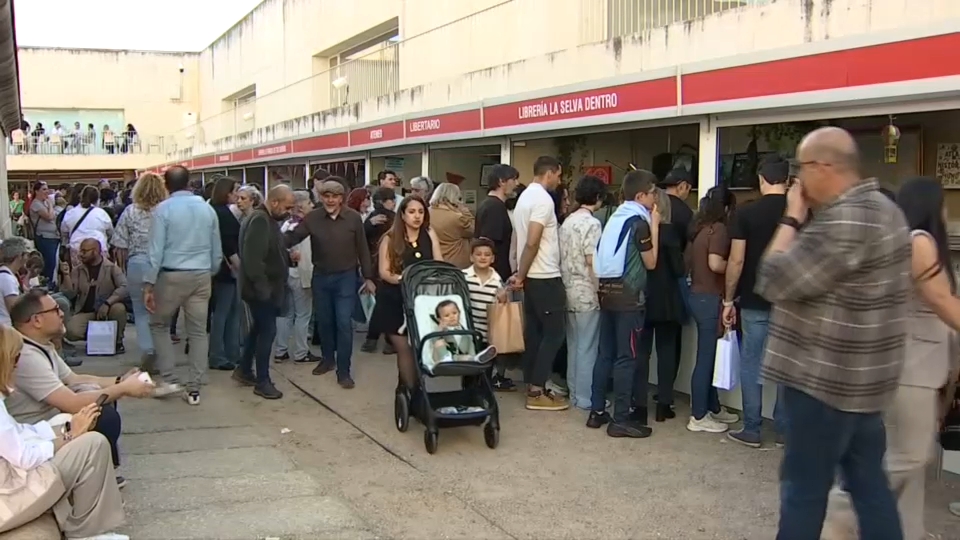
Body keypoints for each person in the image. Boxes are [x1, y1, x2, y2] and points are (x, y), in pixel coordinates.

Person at [757, 127, 910, 540]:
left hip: (822, 382)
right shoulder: (887, 211)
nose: (798, 181)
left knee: (803, 492)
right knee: (869, 488)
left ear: (823, 166)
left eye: (801, 168)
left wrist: (791, 220)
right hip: (865, 384)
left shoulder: (844, 220)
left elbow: (773, 278)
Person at [822, 177, 960, 540]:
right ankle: (841, 511)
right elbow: (941, 300)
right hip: (909, 370)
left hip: (911, 369)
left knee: (910, 462)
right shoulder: (918, 241)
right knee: (908, 458)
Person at [9, 289, 155, 490]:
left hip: (47, 420)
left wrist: (120, 380)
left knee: (97, 394)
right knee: (101, 412)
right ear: (36, 320)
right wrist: (124, 388)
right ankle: (92, 478)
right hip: (32, 428)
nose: (62, 314)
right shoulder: (26, 355)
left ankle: (102, 471)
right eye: (55, 310)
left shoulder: (39, 345)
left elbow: (73, 379)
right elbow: (71, 402)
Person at [0, 325, 128, 539]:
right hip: (8, 490)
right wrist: (70, 435)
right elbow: (24, 457)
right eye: (15, 357)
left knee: (64, 420)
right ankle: (86, 532)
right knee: (93, 443)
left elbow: (16, 434)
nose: (18, 364)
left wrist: (65, 427)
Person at [722, 155, 790, 448]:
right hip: (791, 303)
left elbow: (736, 261)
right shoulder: (803, 214)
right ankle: (785, 431)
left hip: (753, 300)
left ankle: (752, 428)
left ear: (761, 179)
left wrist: (727, 299)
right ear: (787, 180)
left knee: (751, 364)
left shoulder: (746, 214)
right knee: (787, 367)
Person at [588, 170, 660, 437]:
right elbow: (651, 262)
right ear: (640, 196)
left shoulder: (613, 218)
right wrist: (655, 225)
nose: (655, 198)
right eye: (653, 193)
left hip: (607, 294)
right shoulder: (639, 222)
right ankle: (620, 419)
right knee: (626, 358)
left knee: (604, 354)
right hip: (630, 299)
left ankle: (597, 411)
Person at [284, 179, 374, 389]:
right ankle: (327, 359)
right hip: (321, 276)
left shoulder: (353, 218)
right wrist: (274, 239)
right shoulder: (313, 218)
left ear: (342, 198)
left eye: (335, 196)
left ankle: (344, 371)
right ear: (321, 197)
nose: (331, 200)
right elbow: (295, 236)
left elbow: (363, 248)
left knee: (343, 322)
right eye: (326, 196)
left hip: (346, 277)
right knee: (324, 321)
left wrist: (368, 276)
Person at [143, 166, 222, 406]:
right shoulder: (207, 209)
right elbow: (216, 249)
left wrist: (148, 283)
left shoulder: (163, 210)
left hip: (171, 274)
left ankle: (169, 379)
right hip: (201, 273)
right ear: (189, 182)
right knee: (198, 331)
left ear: (166, 185)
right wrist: (210, 271)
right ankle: (195, 386)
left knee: (159, 324)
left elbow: (155, 251)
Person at [510, 156, 568, 411]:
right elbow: (533, 240)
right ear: (551, 172)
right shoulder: (543, 200)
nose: (560, 180)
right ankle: (536, 390)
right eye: (559, 175)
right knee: (555, 333)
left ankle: (532, 383)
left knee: (534, 332)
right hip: (543, 275)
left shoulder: (525, 197)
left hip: (533, 276)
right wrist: (521, 274)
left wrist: (521, 272)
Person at [370, 196, 443, 390]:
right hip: (394, 300)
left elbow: (438, 262)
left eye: (420, 211)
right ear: (402, 215)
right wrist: (403, 279)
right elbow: (384, 272)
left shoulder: (429, 233)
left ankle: (411, 388)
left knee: (419, 347)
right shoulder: (390, 238)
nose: (417, 216)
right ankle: (411, 390)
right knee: (404, 348)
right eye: (412, 212)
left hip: (422, 300)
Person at [686, 187, 740, 434]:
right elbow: (716, 263)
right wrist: (739, 263)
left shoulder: (699, 229)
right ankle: (698, 415)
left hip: (697, 296)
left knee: (708, 355)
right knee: (706, 358)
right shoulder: (718, 230)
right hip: (710, 298)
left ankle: (712, 407)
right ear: (727, 208)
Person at [235, 185, 295, 400]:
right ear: (275, 202)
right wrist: (264, 289)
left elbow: (268, 252)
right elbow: (253, 260)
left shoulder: (265, 220)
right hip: (261, 290)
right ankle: (262, 380)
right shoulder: (260, 220)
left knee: (258, 330)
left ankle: (244, 369)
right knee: (267, 333)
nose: (289, 211)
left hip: (264, 288)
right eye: (287, 206)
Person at [635, 187, 686, 423]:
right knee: (667, 352)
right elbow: (678, 268)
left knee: (642, 352)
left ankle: (639, 403)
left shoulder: (642, 230)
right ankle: (664, 404)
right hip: (667, 298)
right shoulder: (671, 232)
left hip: (644, 295)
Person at [558, 175, 605, 411]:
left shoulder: (567, 222)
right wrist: (600, 290)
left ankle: (575, 392)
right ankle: (585, 397)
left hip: (567, 287)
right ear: (598, 198)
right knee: (587, 347)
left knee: (574, 344)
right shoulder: (593, 224)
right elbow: (591, 260)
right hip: (586, 290)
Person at [59, 239, 129, 354]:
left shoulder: (111, 268)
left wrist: (108, 303)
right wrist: (66, 275)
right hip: (87, 312)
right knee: (71, 331)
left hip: (108, 310)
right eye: (80, 251)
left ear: (95, 251)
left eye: (84, 251)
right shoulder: (78, 270)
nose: (81, 254)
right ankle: (96, 339)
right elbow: (69, 293)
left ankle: (117, 341)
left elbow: (125, 287)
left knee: (119, 309)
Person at [273, 190, 318, 364]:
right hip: (301, 274)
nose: (312, 205)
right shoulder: (303, 226)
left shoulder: (285, 224)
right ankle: (301, 352)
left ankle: (280, 350)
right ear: (300, 205)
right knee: (303, 314)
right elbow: (304, 256)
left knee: (286, 313)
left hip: (286, 274)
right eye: (309, 202)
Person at [208, 176, 242, 371]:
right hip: (227, 270)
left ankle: (230, 352)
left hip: (221, 269)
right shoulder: (223, 214)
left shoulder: (216, 211)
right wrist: (239, 267)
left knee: (228, 312)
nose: (237, 195)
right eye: (235, 190)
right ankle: (219, 354)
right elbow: (229, 246)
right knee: (224, 313)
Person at [360, 187, 397, 354]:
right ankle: (389, 341)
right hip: (390, 265)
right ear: (384, 202)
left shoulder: (370, 218)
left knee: (380, 302)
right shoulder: (392, 218)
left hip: (373, 265)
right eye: (391, 200)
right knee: (389, 304)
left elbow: (362, 239)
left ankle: (372, 339)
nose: (394, 203)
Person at [475, 164, 519, 290]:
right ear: (501, 181)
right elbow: (489, 245)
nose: (517, 183)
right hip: (495, 278)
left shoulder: (489, 204)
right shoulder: (495, 207)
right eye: (513, 179)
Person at [60, 186, 113, 268]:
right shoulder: (101, 213)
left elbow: (64, 231)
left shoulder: (71, 213)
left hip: (77, 249)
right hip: (98, 248)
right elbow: (110, 232)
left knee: (79, 275)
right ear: (97, 199)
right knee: (100, 276)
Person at [429, 183, 475, 269]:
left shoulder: (426, 213)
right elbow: (473, 230)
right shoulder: (457, 217)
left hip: (432, 262)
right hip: (454, 265)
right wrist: (464, 210)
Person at [27, 181, 60, 286]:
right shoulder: (36, 204)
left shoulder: (44, 202)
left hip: (52, 236)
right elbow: (49, 216)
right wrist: (50, 205)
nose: (47, 191)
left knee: (53, 262)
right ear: (37, 191)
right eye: (44, 189)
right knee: (49, 263)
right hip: (44, 237)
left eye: (47, 189)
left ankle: (50, 282)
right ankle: (47, 284)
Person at [0, 237, 29, 325]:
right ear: (20, 256)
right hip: (7, 328)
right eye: (26, 254)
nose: (28, 258)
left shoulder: (9, 275)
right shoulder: (7, 279)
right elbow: (15, 312)